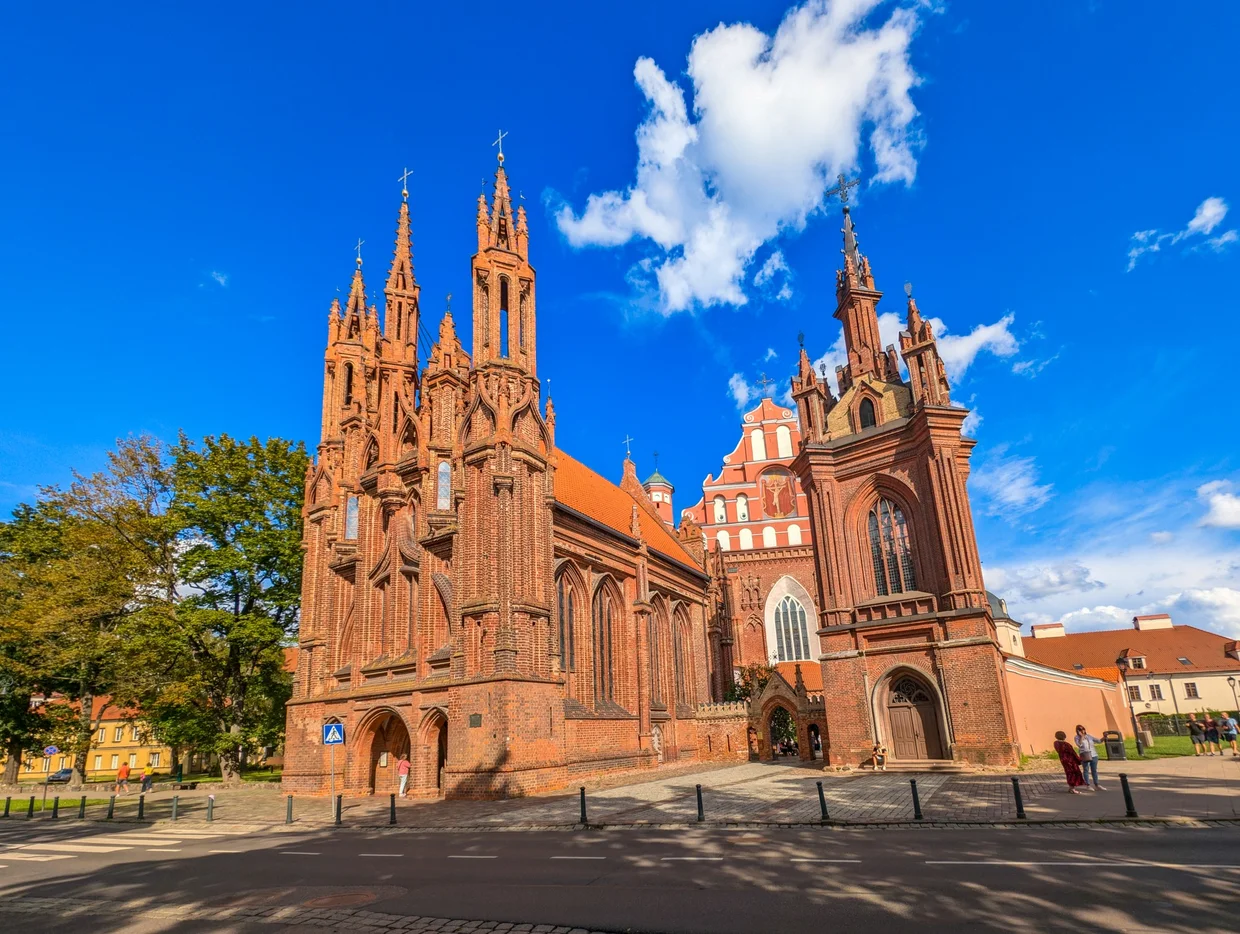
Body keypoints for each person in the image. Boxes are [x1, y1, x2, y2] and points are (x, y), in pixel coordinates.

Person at [1074, 725, 1107, 791]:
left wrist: (1104, 737)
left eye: (1083, 729)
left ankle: (1097, 784)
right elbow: (1079, 745)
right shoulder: (1076, 737)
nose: (1082, 730)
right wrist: (1082, 737)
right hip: (1085, 755)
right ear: (1077, 731)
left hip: (1093, 755)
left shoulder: (1089, 736)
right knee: (1086, 770)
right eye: (1080, 729)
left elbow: (1099, 741)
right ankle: (1088, 785)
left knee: (1094, 770)